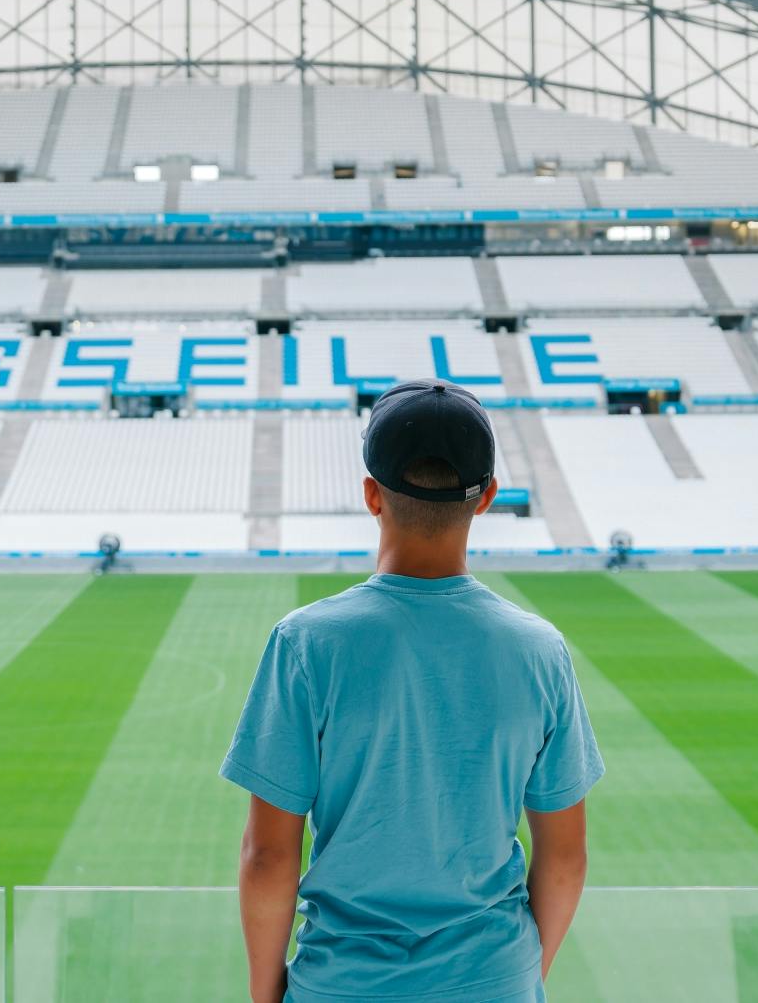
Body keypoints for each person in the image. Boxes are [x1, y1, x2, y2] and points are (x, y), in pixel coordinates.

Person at [222, 380, 604, 1003]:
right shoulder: (540, 650)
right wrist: (517, 978)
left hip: (342, 985)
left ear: (371, 494)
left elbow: (268, 857)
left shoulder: (305, 643)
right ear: (485, 501)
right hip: (495, 981)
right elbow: (564, 859)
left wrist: (267, 997)